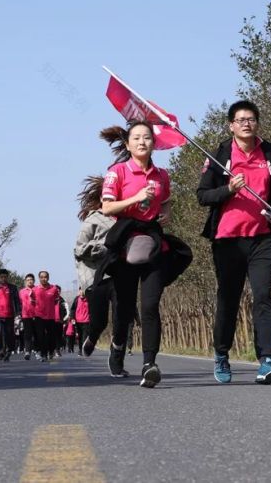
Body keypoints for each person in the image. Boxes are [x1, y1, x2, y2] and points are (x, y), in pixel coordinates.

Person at [197, 100, 271, 384]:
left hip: (262, 237)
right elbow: (203, 195)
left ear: (257, 123)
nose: (246, 124)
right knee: (228, 298)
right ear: (231, 126)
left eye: (251, 119)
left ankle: (267, 360)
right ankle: (222, 355)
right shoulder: (220, 155)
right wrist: (228, 189)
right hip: (227, 240)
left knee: (263, 295)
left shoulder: (269, 153)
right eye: (240, 120)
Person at [98, 121, 192, 388]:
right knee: (125, 309)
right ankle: (118, 347)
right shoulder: (116, 172)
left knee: (150, 306)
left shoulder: (162, 174)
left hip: (154, 245)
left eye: (147, 138)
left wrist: (167, 213)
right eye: (136, 138)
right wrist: (136, 198)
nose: (142, 142)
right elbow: (107, 208)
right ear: (127, 144)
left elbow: (166, 200)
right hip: (125, 245)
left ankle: (150, 364)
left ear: (154, 144)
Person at [73, 176, 117, 360]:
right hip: (96, 277)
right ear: (100, 198)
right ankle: (92, 337)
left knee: (122, 316)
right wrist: (102, 247)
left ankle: (117, 355)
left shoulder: (125, 216)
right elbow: (78, 249)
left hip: (119, 274)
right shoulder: (93, 220)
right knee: (99, 321)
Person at [32, 271, 59, 362]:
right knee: (40, 336)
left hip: (50, 316)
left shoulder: (54, 289)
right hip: (39, 316)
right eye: (42, 277)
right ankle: (43, 354)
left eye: (45, 277)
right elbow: (32, 301)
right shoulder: (35, 289)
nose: (44, 279)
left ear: (48, 278)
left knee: (51, 336)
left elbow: (55, 301)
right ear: (39, 278)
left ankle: (51, 351)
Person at [18, 273, 37, 359]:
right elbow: (19, 303)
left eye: (31, 280)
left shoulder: (38, 290)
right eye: (28, 280)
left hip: (37, 315)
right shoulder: (21, 292)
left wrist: (34, 300)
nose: (30, 281)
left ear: (34, 281)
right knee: (27, 334)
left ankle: (37, 350)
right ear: (25, 281)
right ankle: (27, 351)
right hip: (26, 315)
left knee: (37, 333)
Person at [69, 288, 91, 357]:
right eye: (80, 291)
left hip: (86, 321)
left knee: (85, 336)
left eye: (83, 291)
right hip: (78, 322)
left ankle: (83, 350)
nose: (82, 292)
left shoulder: (89, 299)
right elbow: (72, 309)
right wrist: (72, 318)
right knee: (80, 337)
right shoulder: (76, 299)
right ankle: (80, 349)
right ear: (79, 291)